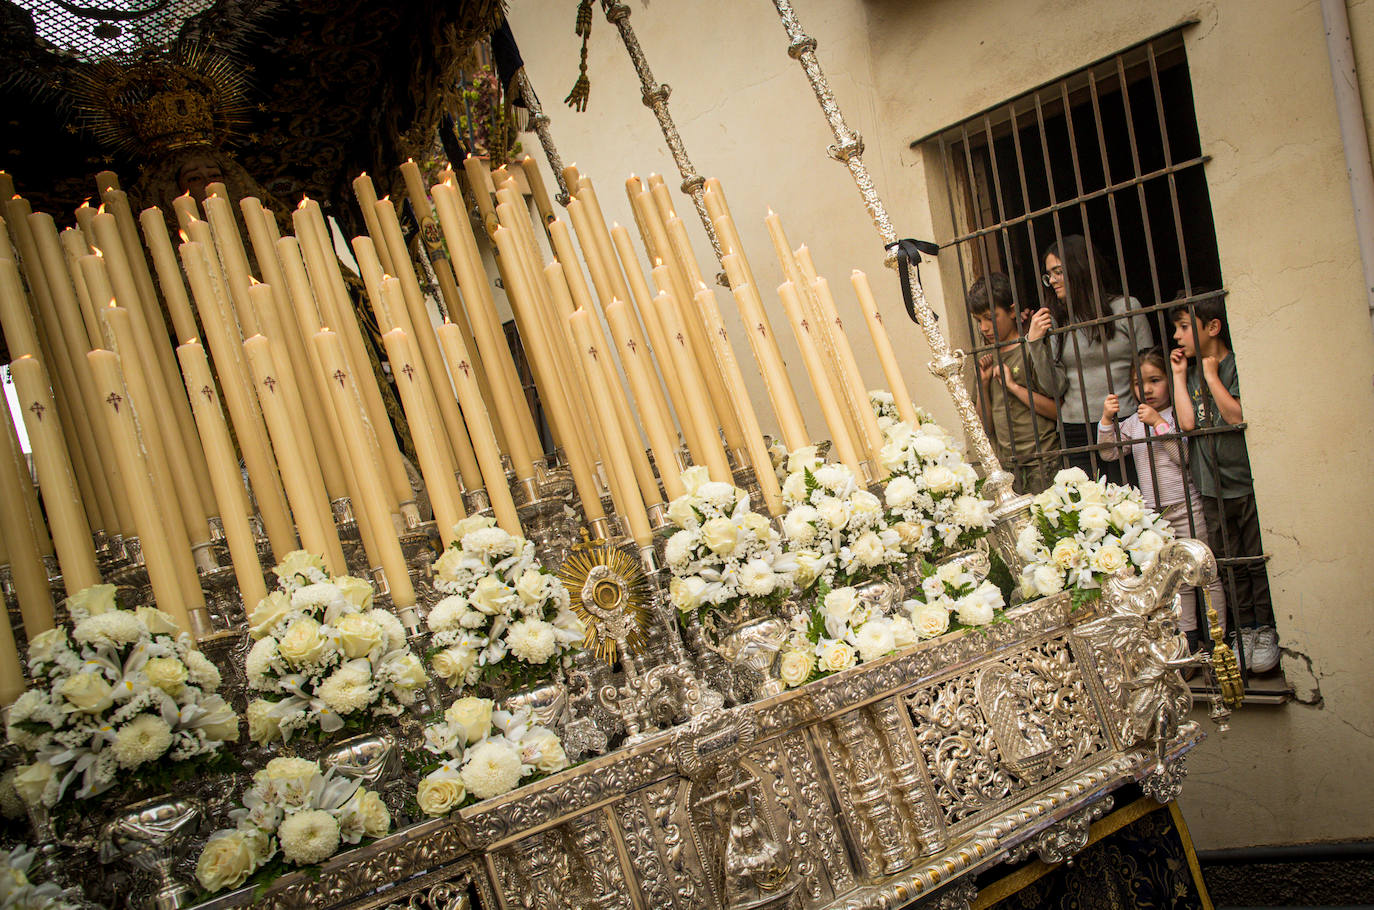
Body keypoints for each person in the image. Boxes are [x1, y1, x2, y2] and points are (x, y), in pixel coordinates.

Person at [1169, 298, 1278, 673]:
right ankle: (1243, 629)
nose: (1177, 335)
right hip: (1211, 485)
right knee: (1229, 563)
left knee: (1255, 560)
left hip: (1243, 482)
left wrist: (1212, 377)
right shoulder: (1192, 372)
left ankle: (1265, 628)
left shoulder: (1231, 366)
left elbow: (1236, 415)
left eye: (1184, 326)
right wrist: (1182, 378)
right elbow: (1186, 423)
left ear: (1212, 328)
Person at [1098, 347, 1227, 651]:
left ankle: (1217, 638)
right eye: (1138, 383)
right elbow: (1108, 452)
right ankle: (1189, 640)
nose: (1147, 389)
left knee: (1204, 572)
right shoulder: (1132, 423)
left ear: (1169, 381)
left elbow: (1182, 456)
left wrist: (1157, 423)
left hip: (1187, 506)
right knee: (1176, 580)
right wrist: (1106, 419)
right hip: (1157, 517)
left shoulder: (1176, 414)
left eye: (1155, 380)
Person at [1041, 235, 1152, 484]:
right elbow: (1052, 387)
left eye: (1059, 272)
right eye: (1049, 274)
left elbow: (1150, 367)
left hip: (1123, 422)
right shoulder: (1057, 321)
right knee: (1086, 512)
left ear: (1079, 268)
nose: (1053, 281)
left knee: (1130, 505)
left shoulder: (1126, 309)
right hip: (1075, 428)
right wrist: (1036, 343)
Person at [969, 273, 1064, 494]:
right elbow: (984, 429)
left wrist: (1013, 387)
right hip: (1007, 465)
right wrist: (983, 385)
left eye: (989, 317)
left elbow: (1056, 410)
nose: (984, 327)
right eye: (978, 321)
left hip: (1042, 461)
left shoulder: (1030, 349)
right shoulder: (986, 359)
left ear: (1012, 311)